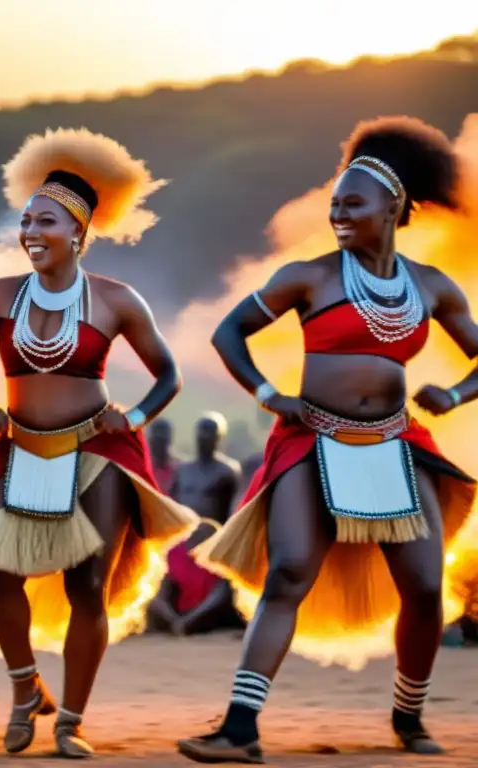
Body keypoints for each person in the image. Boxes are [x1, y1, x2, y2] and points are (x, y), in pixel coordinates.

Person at [177, 117, 478, 763]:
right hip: (312, 442)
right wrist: (268, 395)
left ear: (393, 208)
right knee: (287, 574)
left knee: (426, 588)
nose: (338, 214)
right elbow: (230, 332)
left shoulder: (430, 287)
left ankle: (409, 715)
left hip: (395, 445)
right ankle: (239, 727)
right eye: (334, 203)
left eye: (352, 203)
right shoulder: (307, 277)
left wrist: (453, 395)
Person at [0, 128, 199, 758]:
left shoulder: (116, 300)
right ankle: (26, 687)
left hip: (96, 454)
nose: (31, 231)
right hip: (17, 448)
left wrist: (134, 416)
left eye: (46, 221)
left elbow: (169, 374)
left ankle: (72, 720)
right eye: (26, 221)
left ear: (79, 232)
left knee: (88, 588)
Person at [149, 412, 242, 635]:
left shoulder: (227, 471)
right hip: (182, 541)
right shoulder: (183, 471)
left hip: (213, 542)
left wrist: (218, 538)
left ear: (220, 438)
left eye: (210, 433)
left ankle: (193, 620)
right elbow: (170, 508)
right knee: (154, 576)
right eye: (201, 432)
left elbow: (234, 512)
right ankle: (172, 619)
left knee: (225, 582)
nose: (204, 437)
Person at [147, 417, 182, 492]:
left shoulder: (179, 470)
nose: (159, 445)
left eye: (162, 441)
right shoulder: (142, 468)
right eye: (156, 441)